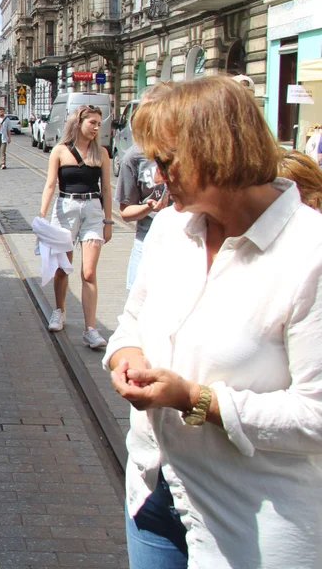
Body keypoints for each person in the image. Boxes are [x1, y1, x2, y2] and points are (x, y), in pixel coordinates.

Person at [104, 76, 322, 569]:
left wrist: (196, 399)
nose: (157, 177)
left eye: (166, 161)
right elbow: (132, 322)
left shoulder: (309, 251)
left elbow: (316, 417)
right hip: (152, 489)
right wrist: (127, 357)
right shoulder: (170, 229)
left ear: (216, 151)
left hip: (253, 522)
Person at [39, 105, 112, 350]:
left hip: (92, 211)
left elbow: (107, 191)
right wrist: (41, 215)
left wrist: (108, 221)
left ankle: (90, 329)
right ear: (78, 122)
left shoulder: (101, 153)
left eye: (98, 124)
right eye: (92, 122)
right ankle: (59, 310)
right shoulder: (59, 151)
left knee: (89, 272)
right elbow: (50, 185)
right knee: (62, 268)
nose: (95, 128)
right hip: (65, 209)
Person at [114, 85, 171, 293]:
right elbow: (125, 212)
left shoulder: (188, 154)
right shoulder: (134, 157)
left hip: (182, 246)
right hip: (145, 243)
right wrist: (148, 208)